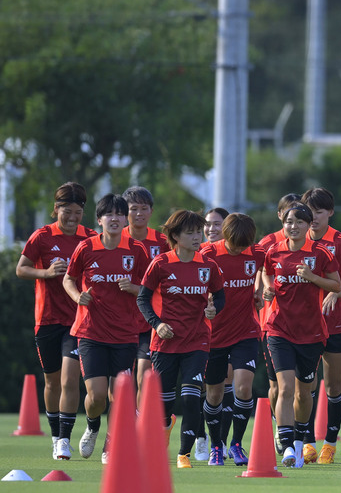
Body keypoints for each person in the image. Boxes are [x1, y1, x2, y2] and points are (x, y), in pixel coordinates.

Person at [62, 194, 149, 462]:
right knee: (97, 396)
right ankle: (92, 425)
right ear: (99, 220)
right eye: (108, 214)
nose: (114, 218)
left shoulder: (136, 249)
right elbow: (68, 279)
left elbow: (150, 288)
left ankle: (111, 444)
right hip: (91, 332)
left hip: (125, 334)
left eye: (119, 214)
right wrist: (78, 297)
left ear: (125, 220)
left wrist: (134, 288)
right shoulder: (86, 247)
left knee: (119, 394)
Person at [137, 210, 226, 468]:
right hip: (164, 343)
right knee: (164, 403)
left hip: (197, 341)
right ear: (175, 236)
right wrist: (157, 324)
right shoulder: (161, 264)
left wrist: (214, 309)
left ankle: (183, 455)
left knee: (190, 397)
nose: (198, 237)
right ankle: (164, 427)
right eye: (190, 233)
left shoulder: (208, 265)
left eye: (199, 231)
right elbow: (143, 298)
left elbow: (219, 296)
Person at [16, 182, 93, 459]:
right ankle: (55, 436)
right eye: (66, 212)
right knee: (52, 382)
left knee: (71, 379)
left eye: (77, 212)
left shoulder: (90, 238)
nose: (72, 218)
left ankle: (64, 438)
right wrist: (47, 273)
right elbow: (21, 269)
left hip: (78, 321)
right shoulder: (42, 236)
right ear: (56, 209)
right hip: (47, 319)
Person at [261, 204, 341, 468]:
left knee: (304, 393)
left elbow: (336, 285)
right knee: (285, 388)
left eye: (299, 222)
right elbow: (266, 273)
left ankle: (299, 441)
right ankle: (285, 446)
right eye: (288, 221)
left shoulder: (320, 253)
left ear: (309, 226)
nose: (293, 226)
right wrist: (268, 289)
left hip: (311, 333)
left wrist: (312, 277)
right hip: (279, 329)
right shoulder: (274, 250)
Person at [301, 188, 341, 465]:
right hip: (301, 325)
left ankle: (329, 444)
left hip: (336, 323)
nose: (313, 217)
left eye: (319, 211)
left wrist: (336, 292)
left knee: (334, 385)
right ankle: (305, 442)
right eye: (309, 211)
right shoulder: (295, 240)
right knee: (305, 385)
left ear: (330, 213)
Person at [201, 213, 265, 466]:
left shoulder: (256, 253)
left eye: (244, 246)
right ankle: (216, 444)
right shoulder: (207, 254)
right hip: (213, 335)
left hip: (246, 331)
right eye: (235, 245)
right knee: (214, 395)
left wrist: (260, 291)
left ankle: (237, 444)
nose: (240, 250)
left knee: (243, 387)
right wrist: (203, 304)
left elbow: (267, 269)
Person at [258, 193, 302, 454]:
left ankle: (296, 432)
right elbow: (258, 271)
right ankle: (280, 428)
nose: (293, 222)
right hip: (272, 324)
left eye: (299, 216)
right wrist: (264, 289)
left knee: (300, 386)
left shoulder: (310, 247)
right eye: (288, 215)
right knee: (278, 385)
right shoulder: (268, 244)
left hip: (305, 327)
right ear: (280, 216)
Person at [122, 186, 170, 398]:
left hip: (149, 321)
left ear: (151, 211)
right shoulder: (112, 238)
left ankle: (141, 429)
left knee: (144, 377)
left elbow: (172, 282)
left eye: (144, 208)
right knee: (119, 384)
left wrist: (137, 290)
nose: (139, 213)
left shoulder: (163, 242)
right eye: (133, 209)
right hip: (116, 322)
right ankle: (117, 429)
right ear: (125, 212)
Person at [192, 206, 231, 461]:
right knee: (200, 388)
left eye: (217, 224)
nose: (211, 229)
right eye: (208, 224)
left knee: (226, 387)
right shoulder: (196, 254)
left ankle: (222, 442)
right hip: (199, 332)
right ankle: (200, 437)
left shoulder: (238, 252)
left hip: (231, 330)